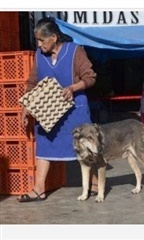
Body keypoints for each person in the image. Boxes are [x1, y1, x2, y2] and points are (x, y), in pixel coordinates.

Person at [17, 17, 98, 202]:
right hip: (48, 112)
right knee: (44, 145)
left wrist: (72, 88)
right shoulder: (39, 56)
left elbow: (90, 77)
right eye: (37, 40)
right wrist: (26, 109)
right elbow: (31, 83)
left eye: (42, 40)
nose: (39, 44)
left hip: (74, 111)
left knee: (83, 149)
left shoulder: (74, 51)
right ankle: (39, 189)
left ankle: (94, 183)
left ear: (53, 37)